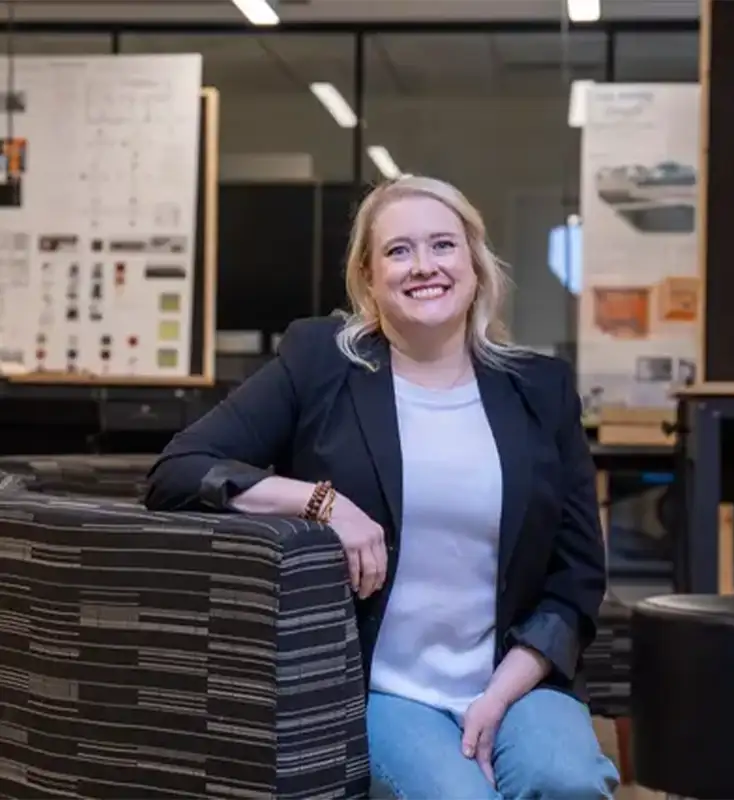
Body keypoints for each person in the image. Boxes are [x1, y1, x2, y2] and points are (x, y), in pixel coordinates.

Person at [145, 175, 619, 799]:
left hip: (514, 676)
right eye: (398, 251)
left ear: (475, 263)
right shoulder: (320, 364)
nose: (424, 266)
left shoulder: (541, 390)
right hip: (379, 685)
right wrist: (321, 501)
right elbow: (178, 471)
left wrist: (498, 697)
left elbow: (577, 575)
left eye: (443, 245)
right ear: (368, 278)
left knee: (568, 783)